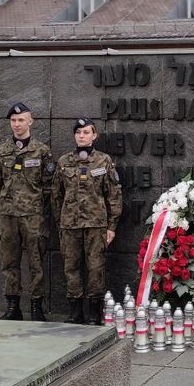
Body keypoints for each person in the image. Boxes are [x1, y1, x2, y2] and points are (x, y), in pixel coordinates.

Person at [52, 118, 123, 325]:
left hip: (96, 225)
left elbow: (114, 195)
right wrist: (60, 222)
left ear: (94, 135)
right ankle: (75, 312)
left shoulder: (103, 161)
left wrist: (112, 226)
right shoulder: (64, 162)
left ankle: (94, 312)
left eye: (86, 132)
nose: (81, 136)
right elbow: (56, 195)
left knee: (96, 267)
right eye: (78, 132)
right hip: (70, 225)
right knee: (71, 267)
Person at [0, 102, 54, 321]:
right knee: (9, 261)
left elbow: (48, 186)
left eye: (21, 120)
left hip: (33, 216)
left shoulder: (42, 151)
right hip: (9, 215)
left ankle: (36, 306)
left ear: (30, 122)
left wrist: (35, 206)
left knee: (36, 261)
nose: (17, 124)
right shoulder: (1, 151)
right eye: (13, 120)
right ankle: (13, 307)